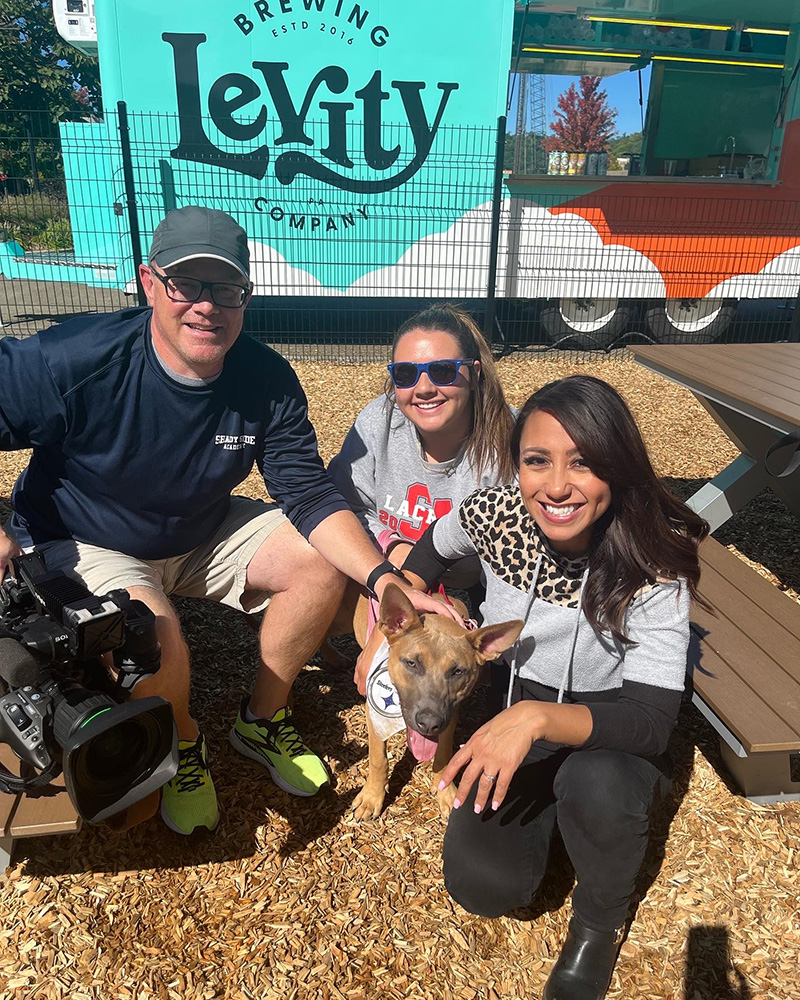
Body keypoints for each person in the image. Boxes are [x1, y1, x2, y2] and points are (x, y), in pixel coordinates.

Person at [0, 205, 457, 836]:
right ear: (149, 282)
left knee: (321, 558)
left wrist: (383, 578)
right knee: (150, 630)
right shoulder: (75, 361)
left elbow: (307, 492)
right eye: (187, 284)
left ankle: (260, 720)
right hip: (85, 534)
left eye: (227, 289)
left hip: (198, 526)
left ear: (248, 295)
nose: (207, 307)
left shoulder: (265, 378)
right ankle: (186, 743)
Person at [401, 375, 708, 1000]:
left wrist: (536, 719)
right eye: (536, 461)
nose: (558, 486)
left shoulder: (653, 561)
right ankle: (563, 825)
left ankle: (599, 923)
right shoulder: (494, 516)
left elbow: (651, 721)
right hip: (516, 711)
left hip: (611, 727)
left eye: (584, 463)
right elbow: (426, 554)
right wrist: (398, 625)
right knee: (485, 886)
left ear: (617, 468)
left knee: (598, 784)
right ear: (517, 467)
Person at [327, 304, 515, 692]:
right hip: (385, 570)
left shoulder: (511, 442)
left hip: (470, 588)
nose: (424, 388)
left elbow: (519, 552)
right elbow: (340, 503)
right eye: (406, 374)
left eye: (443, 371)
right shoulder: (380, 421)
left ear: (474, 373)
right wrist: (393, 548)